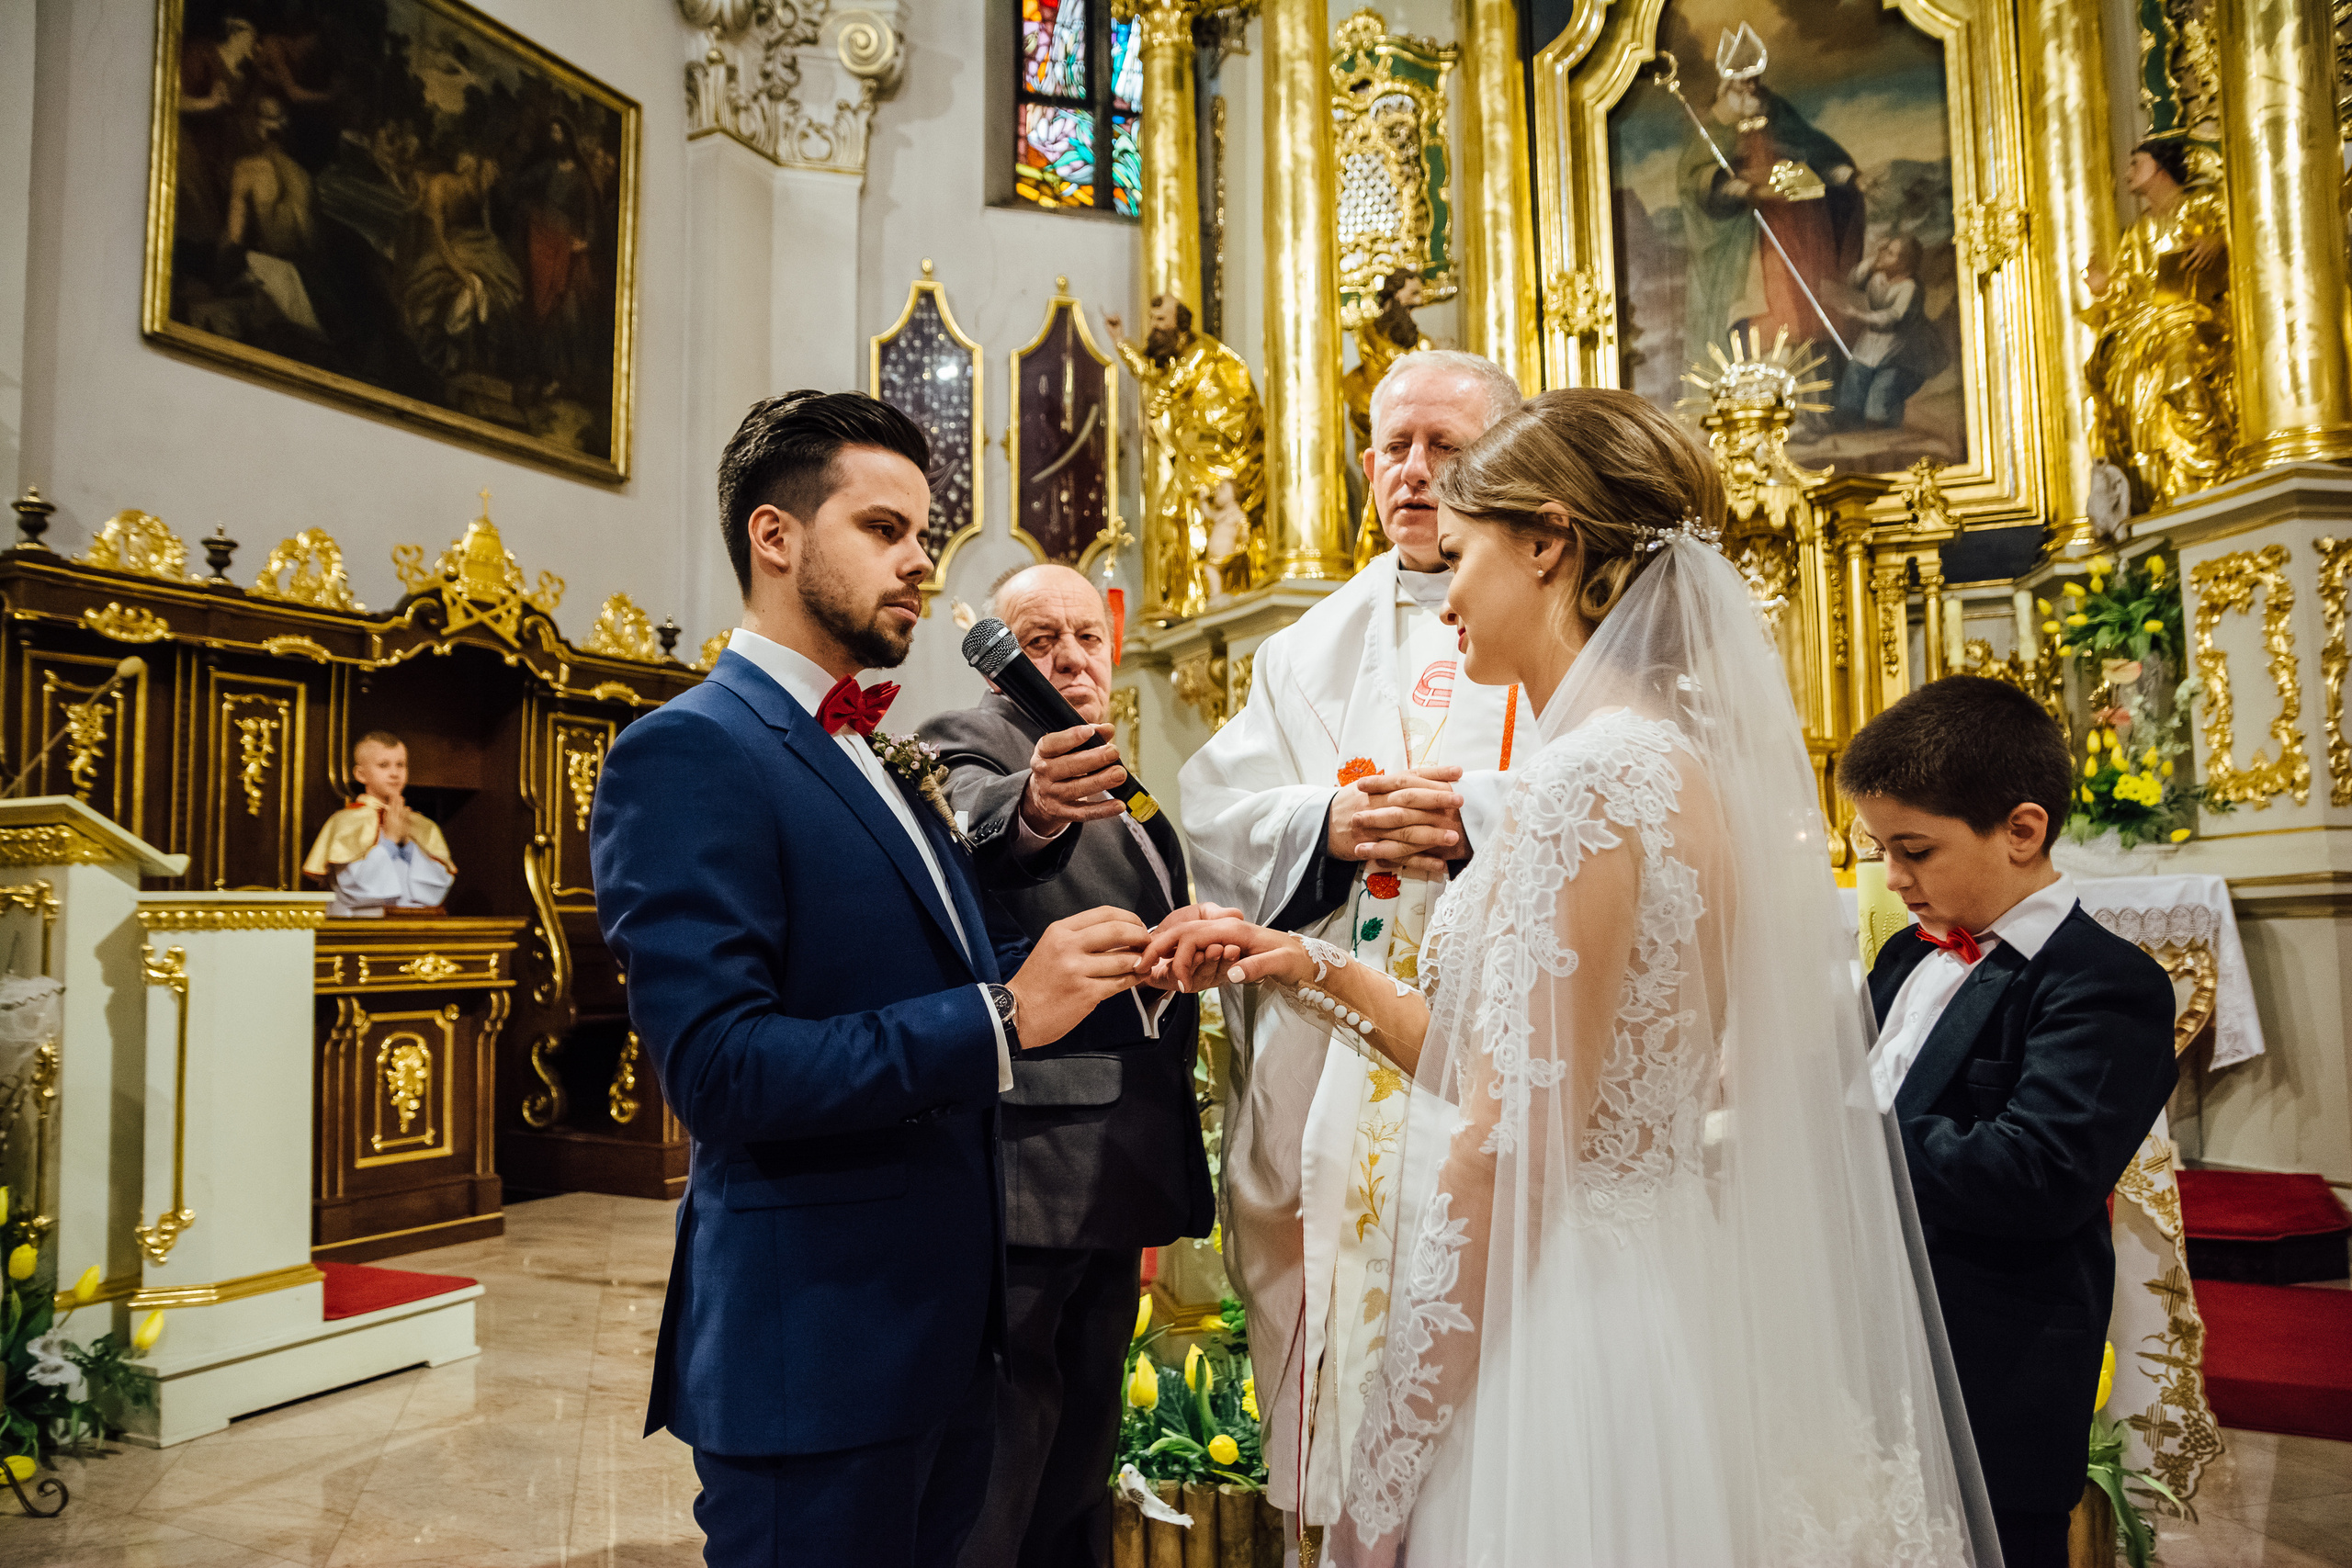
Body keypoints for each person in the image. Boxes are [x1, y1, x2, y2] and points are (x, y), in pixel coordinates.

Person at [1147, 388, 1992, 1565]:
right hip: (1651, 1285)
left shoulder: (1584, 784)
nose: (1444, 590)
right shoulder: (1666, 762)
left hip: (1559, 1337)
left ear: (1547, 543)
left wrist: (1383, 1477)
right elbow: (1522, 1064)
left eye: (1467, 542)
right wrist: (1304, 964)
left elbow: (1505, 1144)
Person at [590, 391, 1162, 1566]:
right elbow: (721, 1070)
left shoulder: (871, 751)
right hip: (819, 1353)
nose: (920, 563)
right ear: (775, 537)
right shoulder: (693, 748)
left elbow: (906, 975)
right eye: (885, 529)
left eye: (925, 533)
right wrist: (1006, 1012)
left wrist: (1093, 965)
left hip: (945, 1338)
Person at [1177, 349, 1536, 1536]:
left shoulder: (1564, 619)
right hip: (1326, 1067)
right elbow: (1215, 821)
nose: (1416, 472)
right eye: (1394, 446)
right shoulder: (1304, 651)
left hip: (1499, 1048)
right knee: (1335, 1332)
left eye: (1448, 445)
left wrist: (1480, 826)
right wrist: (1324, 824)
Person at [917, 563, 1218, 1568]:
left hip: (1115, 1153)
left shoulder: (1117, 771)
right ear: (999, 660)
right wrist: (1034, 807)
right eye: (1039, 638)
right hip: (1032, 1156)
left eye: (1086, 636)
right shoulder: (974, 738)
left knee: (1079, 1444)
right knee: (1007, 1441)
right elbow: (975, 824)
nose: (1069, 657)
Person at [1841, 677, 2179, 1568]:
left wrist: (1832, 1134)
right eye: (1878, 848)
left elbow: (2034, 1174)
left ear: (2022, 831)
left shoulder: (2103, 984)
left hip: (1991, 1365)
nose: (1892, 877)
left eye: (1914, 848)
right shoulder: (1904, 953)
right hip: (1865, 1344)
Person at [2083, 138, 2233, 511]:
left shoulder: (2203, 206)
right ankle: (2163, 487)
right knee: (2119, 386)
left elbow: (2248, 231)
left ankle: (2206, 473)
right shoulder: (2137, 232)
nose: (2129, 173)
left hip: (2194, 317)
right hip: (2147, 327)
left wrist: (2218, 241)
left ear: (2161, 167)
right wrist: (2105, 287)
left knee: (2180, 375)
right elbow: (2131, 287)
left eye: (2136, 163)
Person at [1103, 296, 1264, 620]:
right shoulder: (1176, 355)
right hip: (1195, 455)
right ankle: (1184, 599)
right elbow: (1152, 373)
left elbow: (1170, 386)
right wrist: (1121, 341)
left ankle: (1208, 595)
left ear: (1180, 324)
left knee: (1187, 514)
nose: (1154, 327)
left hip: (1216, 454)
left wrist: (1152, 413)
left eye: (1161, 320)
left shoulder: (1200, 351)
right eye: (1152, 320)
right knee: (1171, 511)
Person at [303, 732, 455, 917]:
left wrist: (408, 847)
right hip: (361, 925)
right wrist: (389, 842)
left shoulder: (423, 825)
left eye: (401, 765)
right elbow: (353, 887)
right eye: (383, 765)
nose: (394, 773)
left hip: (415, 922)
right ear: (361, 774)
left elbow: (438, 887)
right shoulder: (346, 821)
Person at [1833, 234, 1946, 430]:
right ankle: (1850, 429)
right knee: (1854, 380)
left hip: (1899, 350)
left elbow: (1893, 316)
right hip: (1869, 344)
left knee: (1882, 393)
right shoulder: (1878, 277)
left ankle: (1881, 435)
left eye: (1891, 254)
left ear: (1905, 264)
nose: (1885, 256)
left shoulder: (1909, 287)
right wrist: (1875, 258)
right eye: (1886, 251)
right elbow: (1853, 280)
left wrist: (1858, 315)